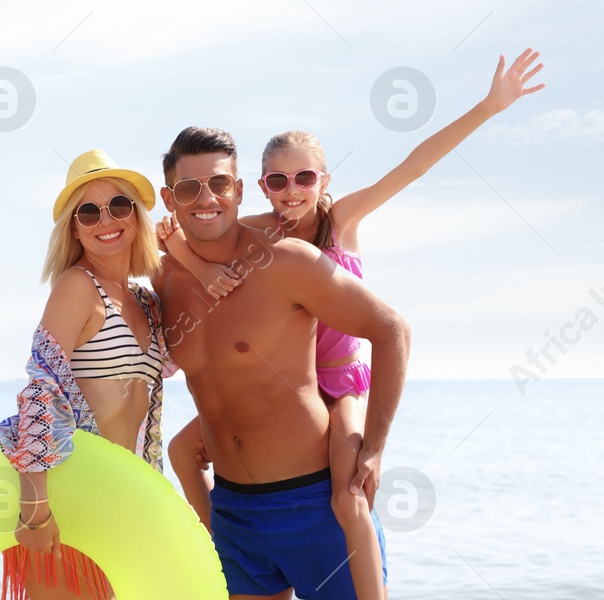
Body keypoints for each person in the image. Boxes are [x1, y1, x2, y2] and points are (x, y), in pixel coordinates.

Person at [162, 49, 545, 599]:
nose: (292, 189)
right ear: (262, 185)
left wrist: (488, 106)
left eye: (304, 177)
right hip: (276, 417)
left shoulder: (339, 221)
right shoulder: (261, 232)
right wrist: (169, 240)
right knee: (182, 450)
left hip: (341, 379)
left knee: (350, 494)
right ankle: (216, 539)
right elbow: (200, 224)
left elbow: (413, 166)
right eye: (278, 179)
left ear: (323, 179)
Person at [150, 126, 411, 600]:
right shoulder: (162, 278)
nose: (205, 198)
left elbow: (391, 330)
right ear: (170, 198)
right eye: (189, 188)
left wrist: (373, 445)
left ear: (240, 190)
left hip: (314, 503)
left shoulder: (288, 261)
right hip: (232, 513)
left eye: (220, 184)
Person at [0, 149, 170, 600]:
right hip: (67, 494)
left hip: (120, 497)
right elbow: (40, 388)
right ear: (74, 227)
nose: (106, 219)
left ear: (137, 215)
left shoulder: (147, 301)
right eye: (88, 211)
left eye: (119, 205)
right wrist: (35, 506)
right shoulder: (76, 287)